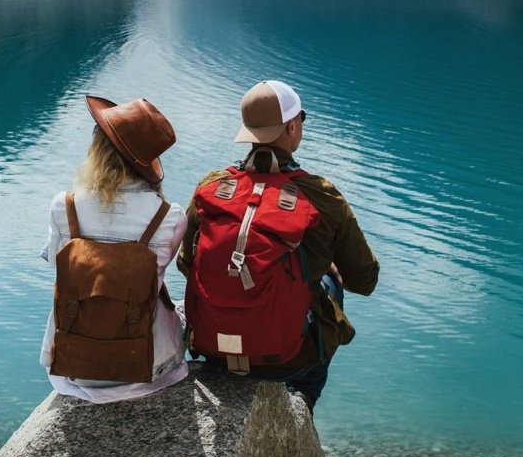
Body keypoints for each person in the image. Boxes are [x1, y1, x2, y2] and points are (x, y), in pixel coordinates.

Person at [178, 80, 378, 409]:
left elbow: (186, 262)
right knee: (330, 281)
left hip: (214, 349)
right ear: (291, 126)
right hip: (288, 360)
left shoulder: (212, 187)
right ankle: (302, 401)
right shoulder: (320, 195)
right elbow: (364, 281)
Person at [39, 94, 189, 402]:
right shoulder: (170, 217)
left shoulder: (63, 206)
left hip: (73, 365)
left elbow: (59, 269)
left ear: (98, 149)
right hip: (147, 366)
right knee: (181, 309)